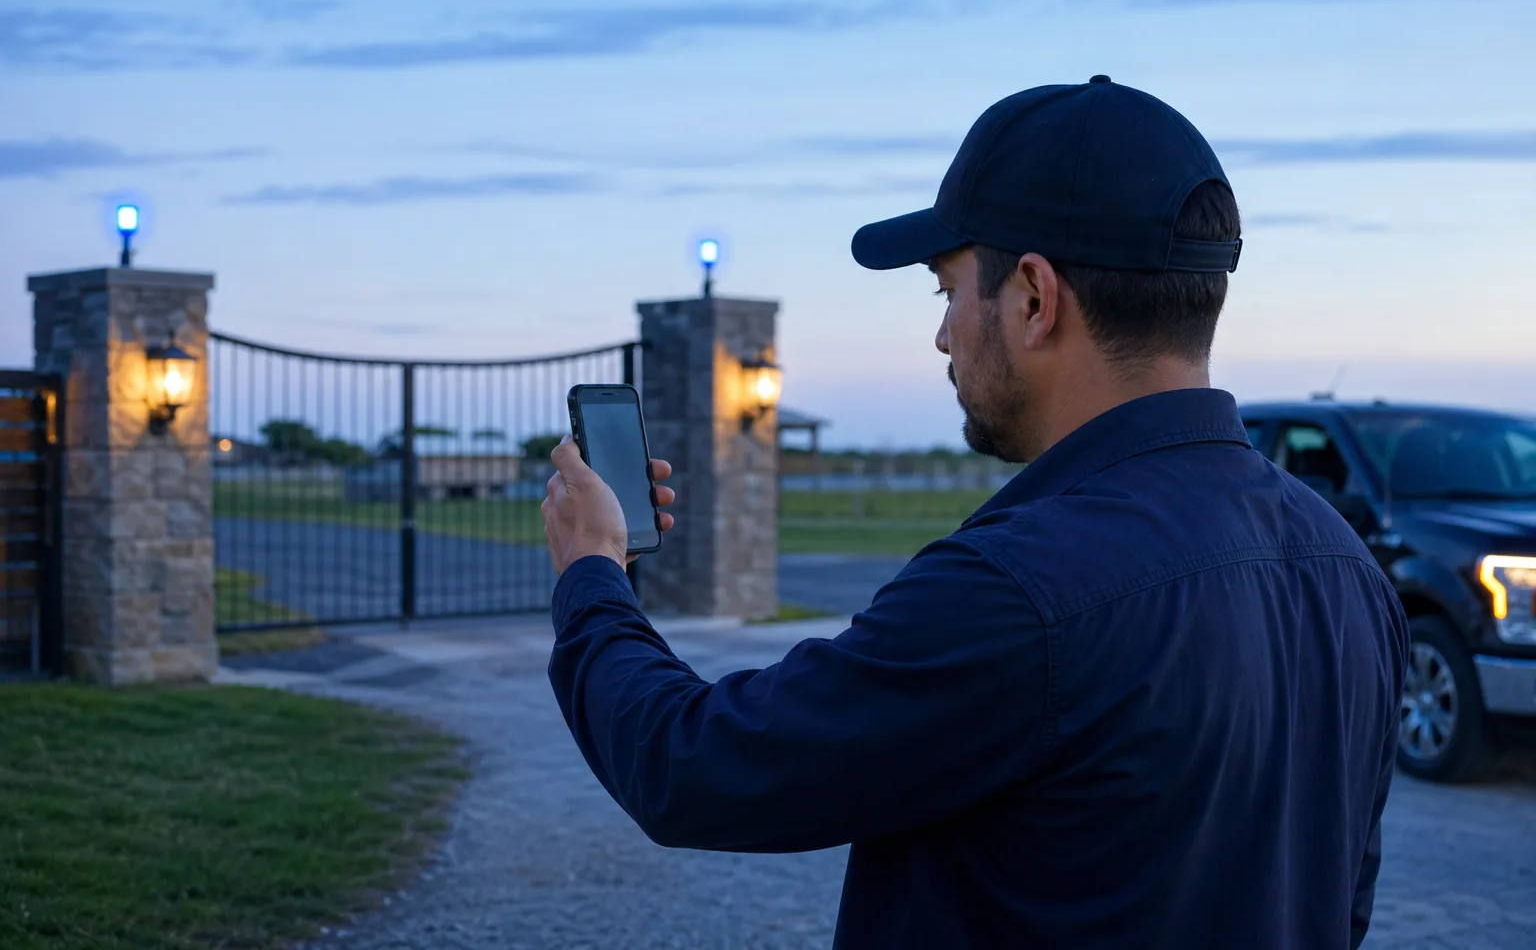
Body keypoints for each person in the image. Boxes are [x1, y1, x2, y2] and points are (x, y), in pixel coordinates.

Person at [540, 75, 1408, 949]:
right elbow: (1342, 900)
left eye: (945, 290)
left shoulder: (1020, 589)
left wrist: (591, 574)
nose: (944, 334)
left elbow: (693, 769)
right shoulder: (1346, 567)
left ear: (1034, 298)